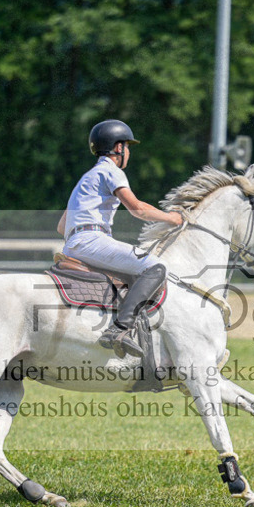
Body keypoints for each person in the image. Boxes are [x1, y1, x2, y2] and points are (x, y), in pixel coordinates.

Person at [56, 120, 184, 358]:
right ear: (118, 147)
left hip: (73, 244)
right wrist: (172, 218)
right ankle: (120, 329)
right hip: (91, 240)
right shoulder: (111, 171)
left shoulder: (86, 178)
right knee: (156, 267)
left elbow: (61, 226)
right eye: (127, 146)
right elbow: (137, 209)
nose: (129, 152)